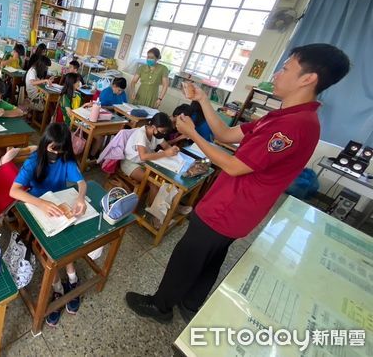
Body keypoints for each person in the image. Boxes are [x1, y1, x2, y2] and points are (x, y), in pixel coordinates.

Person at [125, 43, 350, 324]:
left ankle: (160, 307)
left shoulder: (294, 127)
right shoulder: (281, 116)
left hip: (228, 208)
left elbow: (232, 164)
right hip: (233, 208)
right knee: (211, 257)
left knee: (188, 255)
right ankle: (191, 303)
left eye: (286, 68)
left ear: (308, 79)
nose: (277, 74)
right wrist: (203, 101)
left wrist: (193, 134)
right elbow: (226, 134)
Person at [9, 123, 87, 327]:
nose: (56, 153)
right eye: (53, 149)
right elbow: (14, 191)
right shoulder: (34, 160)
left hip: (58, 206)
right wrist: (42, 203)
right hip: (37, 207)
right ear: (45, 144)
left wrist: (80, 197)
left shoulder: (65, 159)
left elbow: (82, 182)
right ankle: (58, 288)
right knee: (48, 250)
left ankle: (72, 280)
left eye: (61, 150)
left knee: (66, 243)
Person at [120, 112, 179, 204]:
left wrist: (173, 150)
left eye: (165, 132)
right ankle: (151, 212)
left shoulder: (156, 134)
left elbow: (166, 146)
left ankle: (167, 207)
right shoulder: (141, 134)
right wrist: (165, 153)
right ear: (154, 127)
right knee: (154, 184)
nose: (163, 134)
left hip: (145, 162)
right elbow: (143, 156)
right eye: (162, 131)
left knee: (165, 181)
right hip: (130, 162)